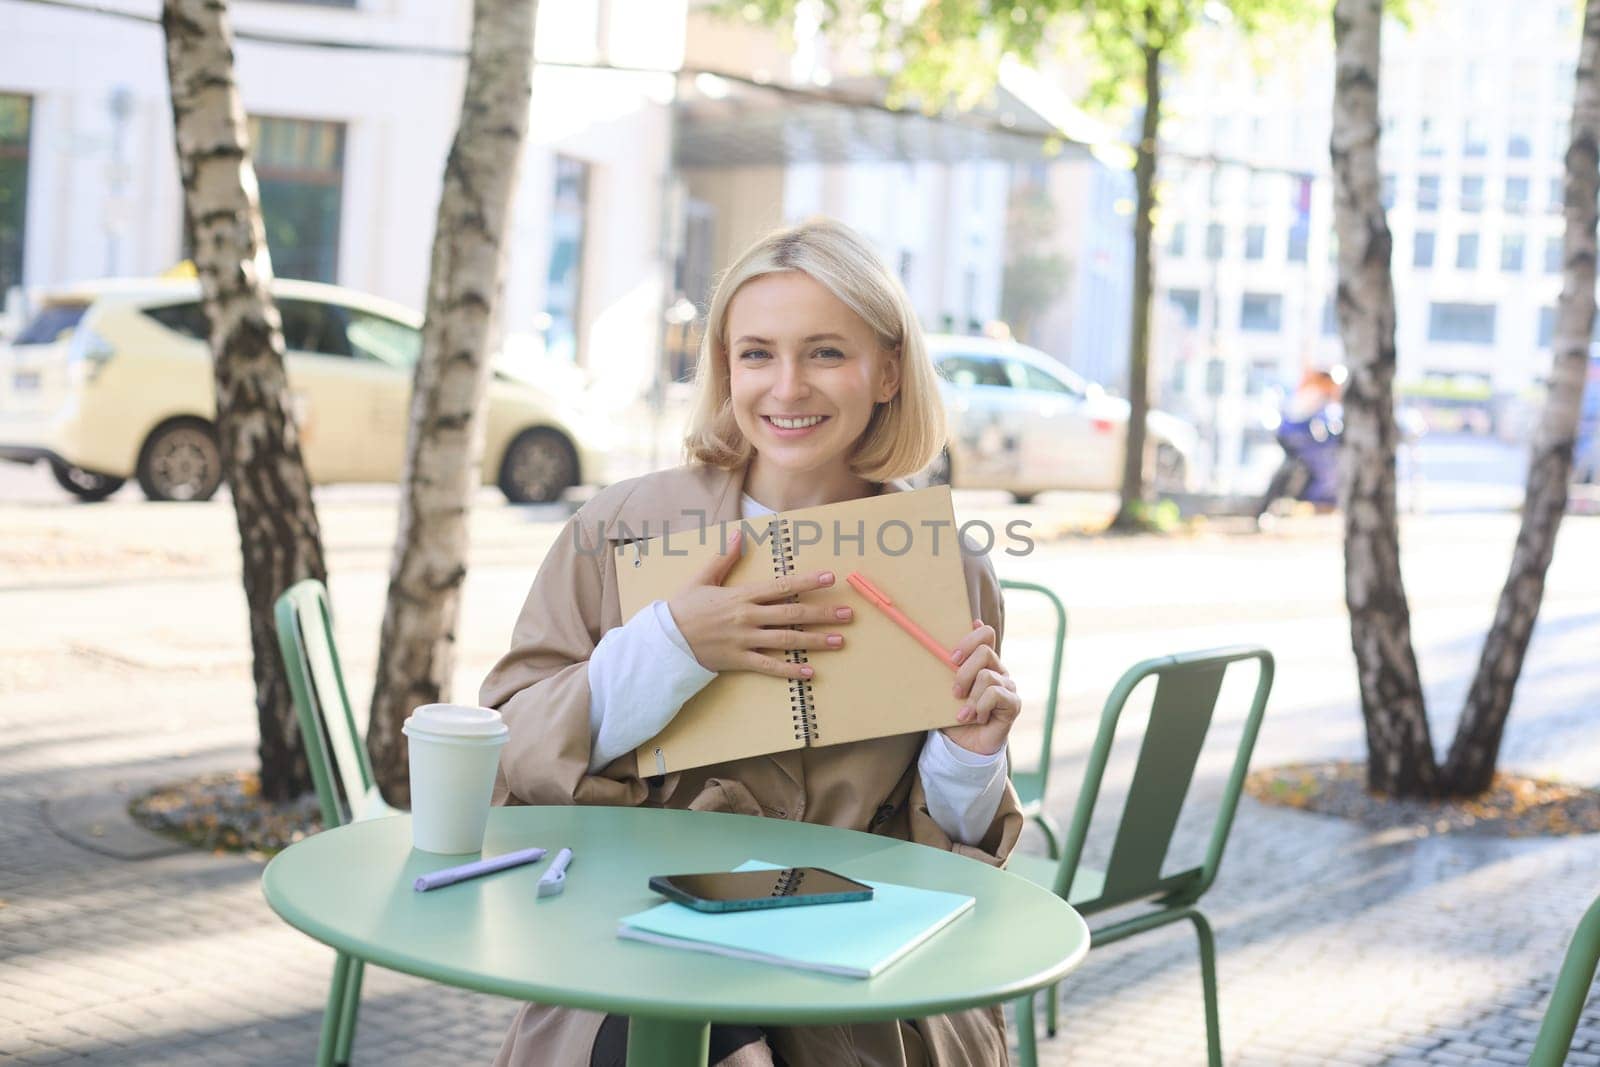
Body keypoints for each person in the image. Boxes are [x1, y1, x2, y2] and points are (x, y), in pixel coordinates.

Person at [480, 217, 1026, 1067]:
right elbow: (508, 751)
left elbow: (948, 857)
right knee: (687, 1035)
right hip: (638, 933)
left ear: (887, 369)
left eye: (826, 353)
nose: (787, 387)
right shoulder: (617, 529)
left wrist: (967, 758)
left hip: (853, 966)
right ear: (725, 367)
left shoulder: (944, 568)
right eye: (757, 353)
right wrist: (673, 645)